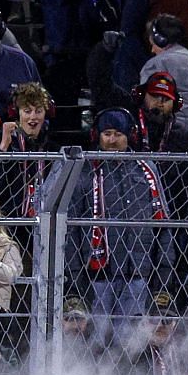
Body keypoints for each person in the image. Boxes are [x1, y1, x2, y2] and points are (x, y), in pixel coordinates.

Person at [68, 108, 171, 348]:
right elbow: (71, 230)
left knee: (130, 345)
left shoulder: (147, 170)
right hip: (96, 277)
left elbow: (163, 225)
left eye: (118, 134)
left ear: (130, 136)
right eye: (107, 134)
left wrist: (163, 278)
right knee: (94, 343)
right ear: (97, 135)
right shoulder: (85, 170)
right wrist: (75, 281)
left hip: (137, 273)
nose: (112, 140)